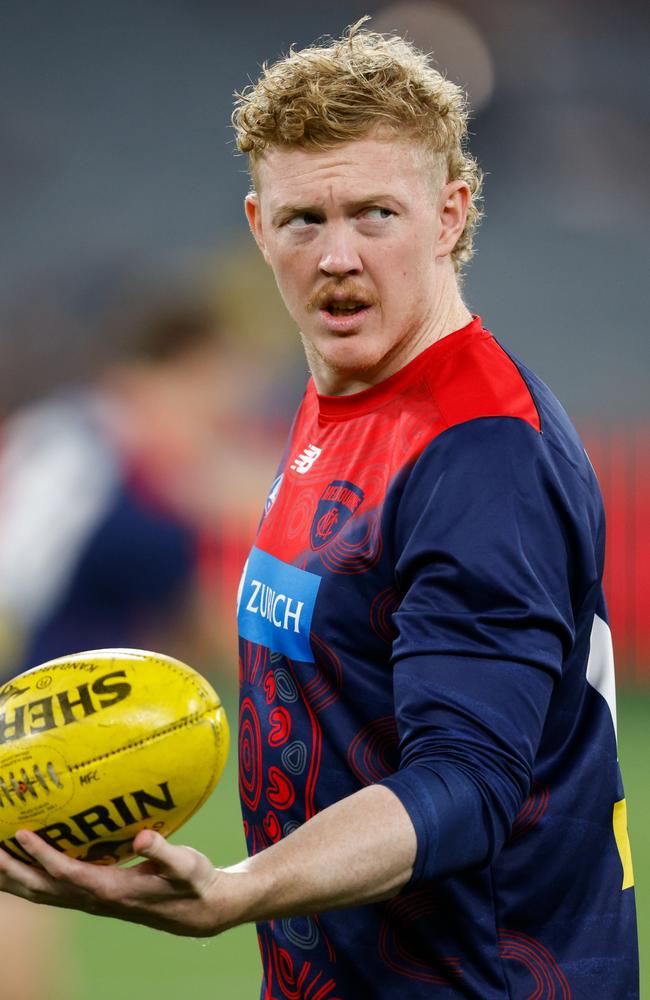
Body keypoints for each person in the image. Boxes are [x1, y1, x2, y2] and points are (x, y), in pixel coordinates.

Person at [0, 22, 638, 999]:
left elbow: (464, 783)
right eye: (304, 219)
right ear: (257, 228)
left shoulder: (480, 457)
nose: (336, 255)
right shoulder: (339, 393)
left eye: (375, 212)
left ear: (450, 215)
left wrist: (241, 889)